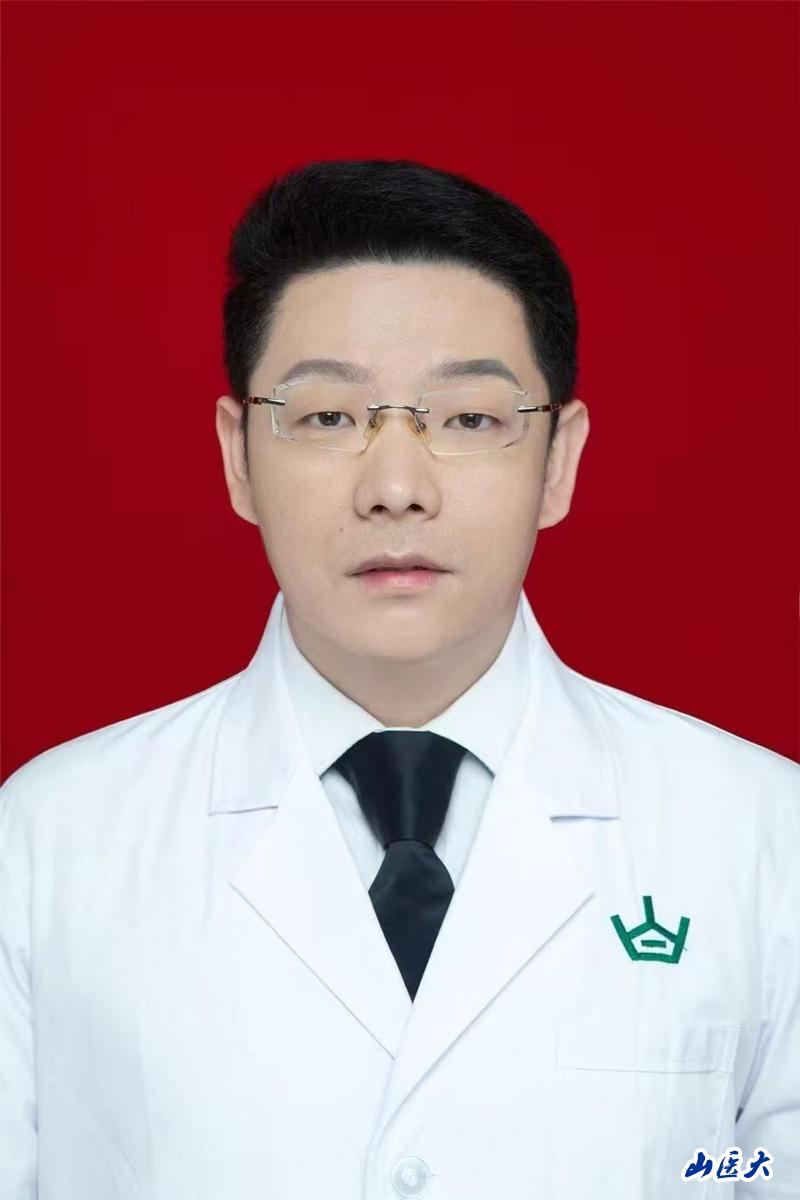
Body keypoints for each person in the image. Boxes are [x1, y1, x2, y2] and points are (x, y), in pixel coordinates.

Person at [1, 159, 797, 1200]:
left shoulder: (760, 832)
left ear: (557, 461)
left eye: (468, 419)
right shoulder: (48, 839)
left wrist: (678, 1169)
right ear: (239, 456)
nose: (393, 487)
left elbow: (763, 1168)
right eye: (327, 418)